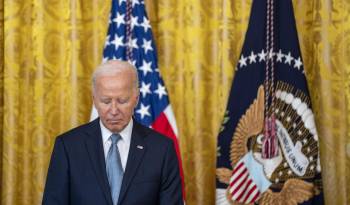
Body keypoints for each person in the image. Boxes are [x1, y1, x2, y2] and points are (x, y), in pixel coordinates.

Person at [42, 60, 183, 205]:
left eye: (122, 101)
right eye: (106, 101)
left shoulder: (162, 149)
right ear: (94, 100)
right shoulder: (68, 147)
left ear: (136, 99)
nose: (114, 111)